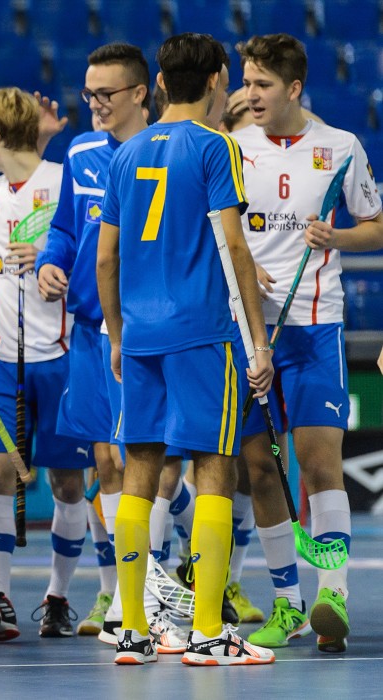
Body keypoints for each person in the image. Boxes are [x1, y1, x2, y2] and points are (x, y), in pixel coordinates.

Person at [96, 32, 274, 666]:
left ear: (162, 83)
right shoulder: (216, 146)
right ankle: (206, 631)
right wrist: (258, 341)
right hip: (203, 334)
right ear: (219, 78)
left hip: (140, 337)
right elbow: (234, 246)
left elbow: (107, 257)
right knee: (214, 471)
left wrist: (117, 335)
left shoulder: (125, 153)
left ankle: (135, 630)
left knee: (140, 476)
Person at [229, 33, 383, 655]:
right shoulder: (232, 148)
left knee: (320, 463)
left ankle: (333, 596)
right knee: (261, 468)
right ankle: (288, 604)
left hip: (317, 325)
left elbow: (377, 226)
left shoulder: (340, 148)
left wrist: (338, 238)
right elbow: (220, 233)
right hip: (248, 328)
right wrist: (245, 270)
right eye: (245, 82)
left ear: (293, 89)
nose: (250, 94)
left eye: (262, 84)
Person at [0, 86, 93, 641]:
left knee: (67, 482)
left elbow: (98, 248)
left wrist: (51, 258)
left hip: (61, 359)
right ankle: (0, 597)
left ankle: (58, 597)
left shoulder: (66, 183)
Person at [35, 42, 151, 639]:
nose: (95, 105)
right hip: (84, 328)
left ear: (140, 93)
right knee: (106, 460)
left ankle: (151, 589)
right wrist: (50, 263)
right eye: (89, 94)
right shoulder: (78, 151)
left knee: (141, 460)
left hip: (138, 329)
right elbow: (62, 228)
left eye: (106, 94)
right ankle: (121, 590)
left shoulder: (161, 152)